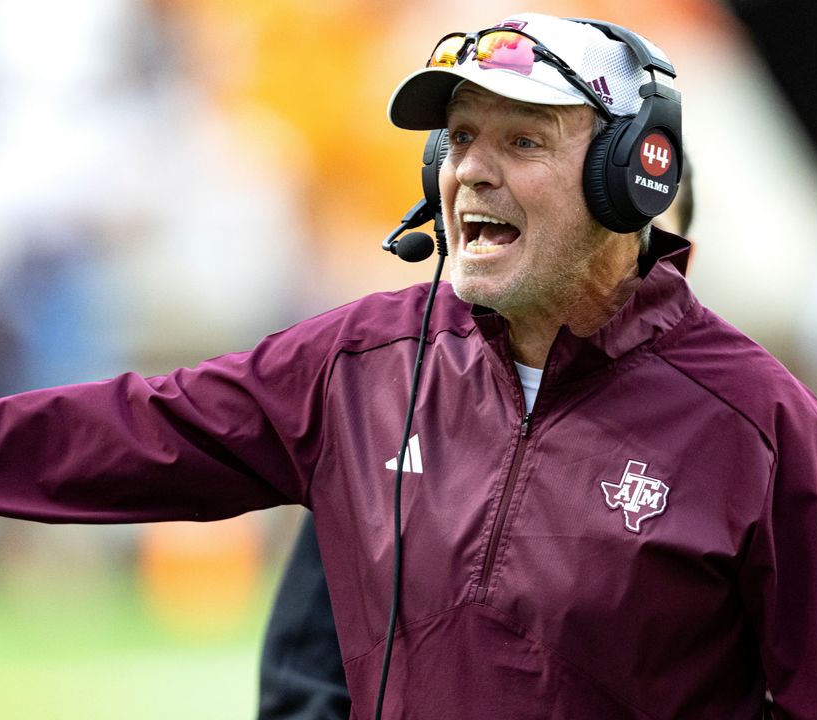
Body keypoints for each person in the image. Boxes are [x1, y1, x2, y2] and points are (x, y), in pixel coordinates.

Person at [0, 12, 817, 719]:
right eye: (457, 142)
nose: (467, 173)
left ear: (630, 176)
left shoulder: (759, 430)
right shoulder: (362, 362)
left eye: (521, 142)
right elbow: (130, 428)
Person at [257, 152, 698, 720]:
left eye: (643, 228)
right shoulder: (400, 409)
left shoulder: (732, 431)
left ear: (682, 255)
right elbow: (305, 676)